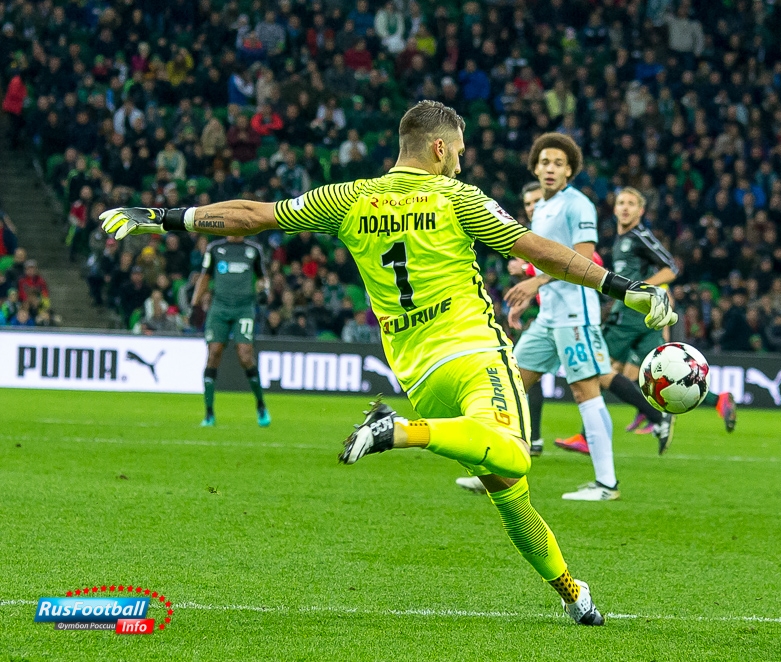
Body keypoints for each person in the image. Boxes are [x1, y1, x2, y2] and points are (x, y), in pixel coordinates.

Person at [100, 100, 676, 626]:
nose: (460, 163)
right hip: (473, 352)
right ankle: (397, 431)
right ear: (440, 148)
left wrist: (163, 216)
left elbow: (252, 214)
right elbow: (540, 251)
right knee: (516, 454)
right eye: (459, 153)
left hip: (418, 372)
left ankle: (573, 593)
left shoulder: (349, 198)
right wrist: (624, 288)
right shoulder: (458, 198)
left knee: (510, 494)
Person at [551, 187, 738, 456]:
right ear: (614, 209)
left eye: (631, 203)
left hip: (630, 316)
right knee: (652, 375)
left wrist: (639, 289)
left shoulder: (639, 236)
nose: (625, 208)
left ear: (641, 211)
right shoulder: (621, 240)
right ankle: (717, 401)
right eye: (621, 203)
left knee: (596, 368)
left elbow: (671, 268)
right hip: (641, 318)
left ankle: (594, 434)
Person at [496, 133, 626, 501]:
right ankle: (499, 470)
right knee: (509, 385)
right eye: (544, 162)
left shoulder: (577, 205)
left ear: (569, 170)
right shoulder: (543, 208)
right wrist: (528, 296)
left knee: (585, 390)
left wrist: (535, 282)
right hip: (549, 316)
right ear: (535, 168)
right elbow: (546, 261)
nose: (550, 169)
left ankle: (607, 485)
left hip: (575, 314)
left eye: (558, 163)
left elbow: (584, 260)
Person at [191, 235, 271, 427]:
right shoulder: (214, 248)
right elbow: (205, 276)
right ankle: (209, 413)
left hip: (244, 308)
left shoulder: (253, 249)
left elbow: (263, 278)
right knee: (213, 354)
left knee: (245, 355)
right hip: (219, 308)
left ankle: (261, 405)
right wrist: (195, 304)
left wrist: (263, 291)